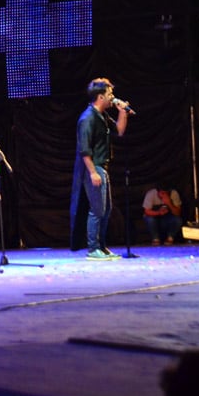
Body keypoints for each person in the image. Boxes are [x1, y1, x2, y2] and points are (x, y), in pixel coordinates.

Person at [69, 77, 131, 260]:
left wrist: (123, 112)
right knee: (96, 210)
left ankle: (102, 247)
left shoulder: (102, 116)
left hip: (103, 166)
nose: (112, 97)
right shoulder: (87, 119)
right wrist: (93, 172)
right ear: (100, 97)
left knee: (106, 209)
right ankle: (93, 248)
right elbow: (84, 150)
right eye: (110, 94)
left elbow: (119, 130)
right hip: (93, 168)